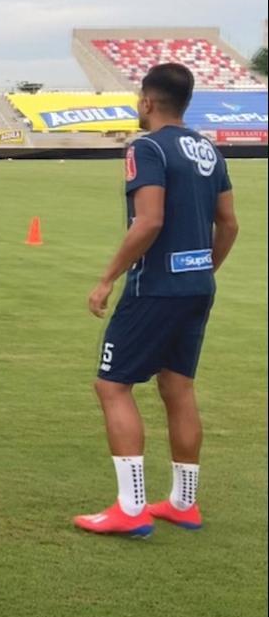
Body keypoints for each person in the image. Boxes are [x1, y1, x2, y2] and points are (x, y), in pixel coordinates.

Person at [74, 63, 239, 537]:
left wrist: (107, 278)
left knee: (112, 386)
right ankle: (183, 503)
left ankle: (131, 508)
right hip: (196, 286)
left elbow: (147, 221)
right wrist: (205, 269)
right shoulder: (207, 148)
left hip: (156, 286)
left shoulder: (144, 147)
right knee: (177, 386)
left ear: (147, 101)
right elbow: (228, 223)